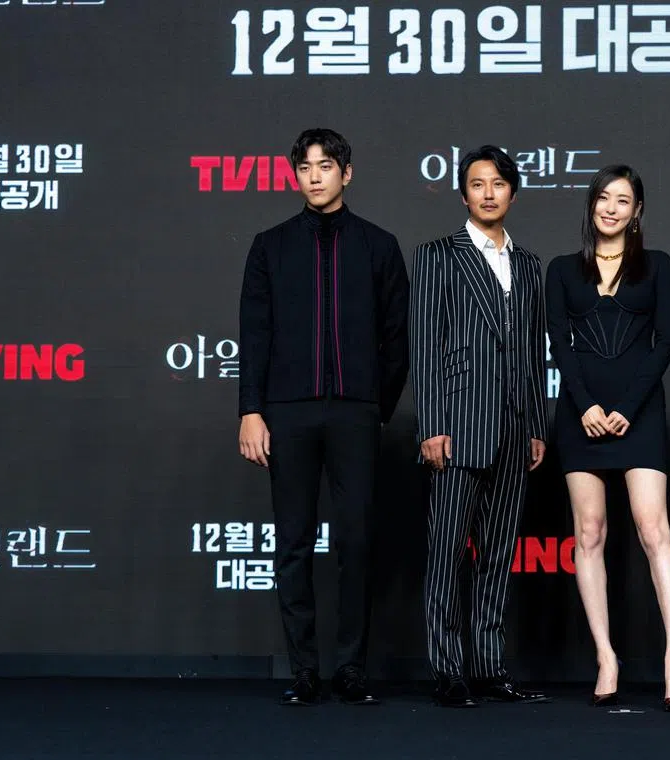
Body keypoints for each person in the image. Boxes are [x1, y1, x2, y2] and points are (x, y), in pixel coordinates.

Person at [237, 128, 410, 706]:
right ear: (295, 176)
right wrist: (251, 412)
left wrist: (373, 407)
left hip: (356, 412)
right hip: (286, 412)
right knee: (293, 542)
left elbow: (396, 338)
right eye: (305, 167)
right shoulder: (270, 245)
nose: (315, 175)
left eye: (326, 165)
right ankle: (305, 669)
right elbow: (254, 337)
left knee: (356, 540)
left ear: (347, 173)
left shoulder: (378, 246)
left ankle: (352, 668)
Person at [545, 165, 670, 711]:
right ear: (591, 205)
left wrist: (625, 408)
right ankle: (606, 655)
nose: (610, 208)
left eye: (622, 200)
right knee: (589, 531)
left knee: (654, 528)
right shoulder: (562, 270)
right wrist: (586, 407)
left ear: (637, 212)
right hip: (579, 416)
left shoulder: (658, 266)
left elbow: (665, 343)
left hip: (640, 413)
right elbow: (561, 343)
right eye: (603, 198)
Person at [410, 145, 549, 708]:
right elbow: (424, 347)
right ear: (462, 193)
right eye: (477, 183)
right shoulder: (438, 256)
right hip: (459, 425)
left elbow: (534, 355)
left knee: (497, 555)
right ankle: (449, 670)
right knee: (445, 554)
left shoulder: (530, 265)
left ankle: (490, 667)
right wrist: (433, 426)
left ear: (513, 192)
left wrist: (537, 424)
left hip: (515, 429)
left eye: (498, 183)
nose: (488, 193)